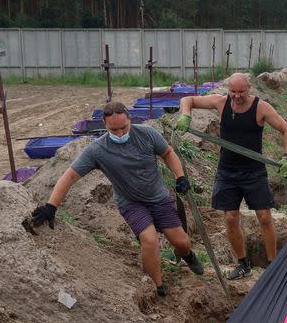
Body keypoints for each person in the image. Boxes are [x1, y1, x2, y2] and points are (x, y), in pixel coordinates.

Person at [31, 101, 203, 297]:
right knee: (149, 240)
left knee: (180, 242)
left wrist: (180, 177)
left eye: (124, 127)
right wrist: (51, 206)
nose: (120, 133)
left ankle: (188, 255)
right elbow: (70, 175)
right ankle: (158, 285)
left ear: (130, 119)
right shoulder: (97, 150)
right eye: (114, 129)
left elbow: (168, 152)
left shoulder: (147, 134)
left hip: (159, 197)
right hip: (131, 203)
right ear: (105, 125)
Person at [176, 73, 287, 280]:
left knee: (265, 218)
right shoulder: (221, 103)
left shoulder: (261, 108)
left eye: (241, 91)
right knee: (230, 218)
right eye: (233, 91)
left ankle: (273, 264)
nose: (237, 96)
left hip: (254, 171)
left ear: (249, 88)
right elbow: (187, 100)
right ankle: (242, 263)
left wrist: (286, 157)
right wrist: (185, 115)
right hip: (227, 172)